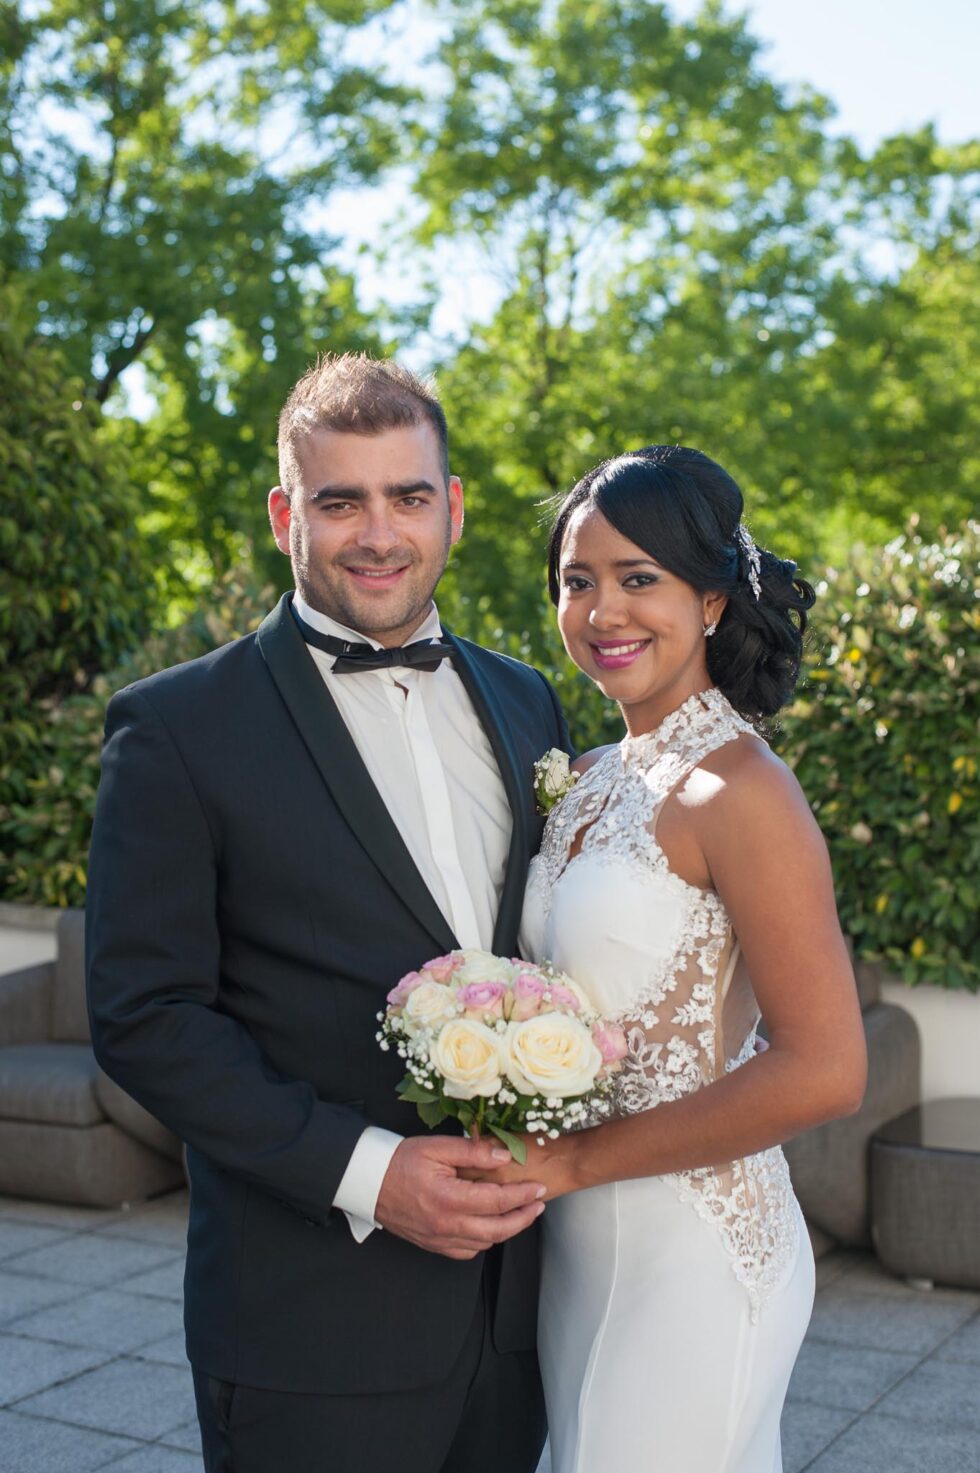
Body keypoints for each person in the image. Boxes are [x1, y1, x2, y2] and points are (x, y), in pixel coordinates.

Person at [85, 354, 569, 1473]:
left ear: (450, 507)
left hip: (516, 1322)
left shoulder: (525, 697)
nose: (378, 534)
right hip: (311, 1321)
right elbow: (147, 1017)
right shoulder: (173, 729)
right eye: (338, 500)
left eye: (407, 497)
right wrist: (370, 1174)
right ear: (283, 513)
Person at [491, 445, 867, 1472]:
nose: (602, 611)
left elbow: (825, 1067)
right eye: (577, 581)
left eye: (637, 578)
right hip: (570, 1245)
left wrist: (567, 1162)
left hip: (689, 1254)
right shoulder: (586, 774)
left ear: (709, 600)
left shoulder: (741, 791)